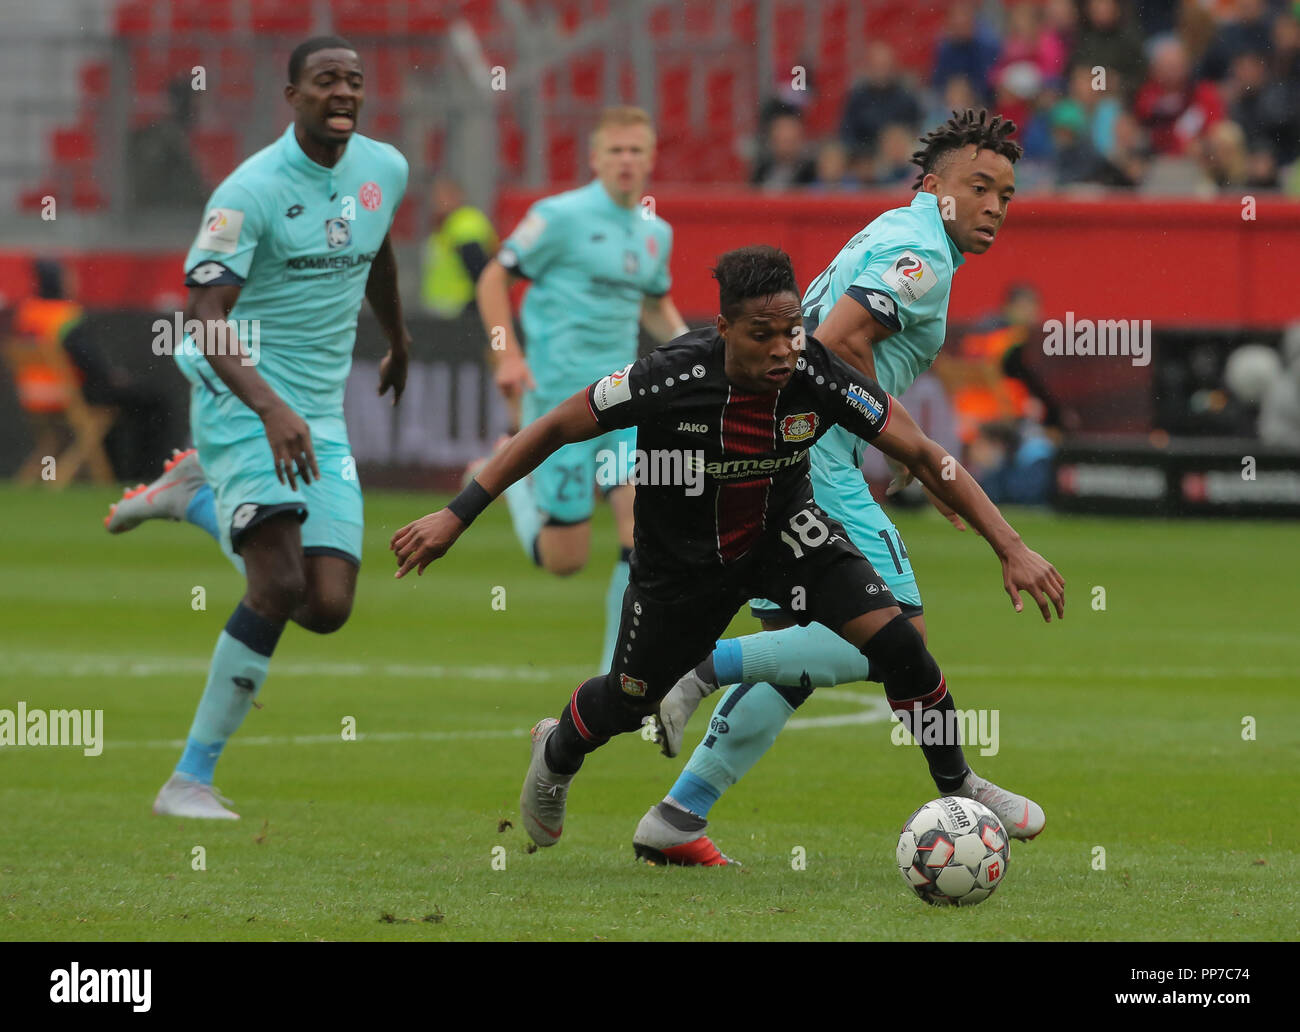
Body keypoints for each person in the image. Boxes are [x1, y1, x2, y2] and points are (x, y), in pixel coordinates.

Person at [391, 245, 1064, 854]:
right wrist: (456, 515)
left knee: (900, 646)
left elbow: (922, 451)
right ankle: (556, 752)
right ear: (724, 330)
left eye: (792, 330)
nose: (782, 350)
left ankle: (959, 783)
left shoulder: (818, 374)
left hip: (785, 534)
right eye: (762, 334)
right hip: (679, 566)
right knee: (627, 702)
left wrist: (1010, 546)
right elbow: (551, 427)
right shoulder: (669, 377)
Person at [634, 110, 1059, 866]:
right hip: (815, 457)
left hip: (788, 449)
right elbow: (835, 345)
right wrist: (915, 457)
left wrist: (890, 442)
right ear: (936, 187)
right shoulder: (921, 254)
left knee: (799, 660)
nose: (995, 204)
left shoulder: (897, 229)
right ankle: (702, 671)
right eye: (979, 187)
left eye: (1007, 194)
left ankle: (676, 817)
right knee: (897, 642)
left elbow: (840, 347)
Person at [104, 35, 412, 819]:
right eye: (325, 82)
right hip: (239, 391)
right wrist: (269, 406)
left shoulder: (385, 169)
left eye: (353, 80)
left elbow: (375, 254)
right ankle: (188, 780)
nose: (343, 92)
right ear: (293, 97)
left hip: (316, 406)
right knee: (275, 582)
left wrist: (398, 339)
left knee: (327, 605)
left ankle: (191, 496)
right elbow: (204, 317)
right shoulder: (251, 190)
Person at [474, 106, 688, 671]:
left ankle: (615, 676)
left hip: (622, 400)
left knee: (639, 529)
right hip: (558, 406)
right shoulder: (559, 216)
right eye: (615, 150)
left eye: (636, 150)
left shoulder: (654, 233)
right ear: (594, 158)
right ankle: (510, 479)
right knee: (564, 558)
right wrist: (506, 352)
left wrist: (698, 353)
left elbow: (652, 301)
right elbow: (493, 276)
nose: (626, 161)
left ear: (650, 159)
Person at [420, 175, 497, 319]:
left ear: (459, 196)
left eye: (445, 195)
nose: (437, 201)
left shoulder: (465, 222)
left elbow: (477, 267)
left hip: (462, 311)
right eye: (435, 195)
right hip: (441, 313)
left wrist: (476, 306)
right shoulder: (442, 228)